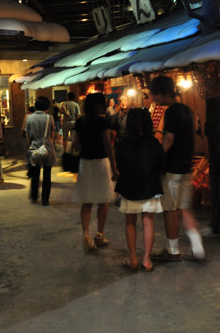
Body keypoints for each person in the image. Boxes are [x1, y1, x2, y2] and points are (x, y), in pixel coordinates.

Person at [149, 76, 206, 262]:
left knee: (170, 209)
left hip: (172, 169)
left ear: (164, 93)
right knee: (184, 209)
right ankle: (198, 250)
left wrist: (156, 158)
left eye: (155, 95)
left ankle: (173, 251)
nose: (154, 98)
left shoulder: (171, 112)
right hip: (186, 167)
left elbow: (168, 139)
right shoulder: (187, 110)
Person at [115, 108, 165, 271]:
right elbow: (161, 165)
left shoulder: (123, 143)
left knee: (130, 222)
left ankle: (133, 259)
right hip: (149, 186)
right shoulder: (154, 143)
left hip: (129, 187)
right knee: (148, 222)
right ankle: (147, 260)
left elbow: (120, 166)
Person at [72, 92, 119, 251]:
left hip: (85, 164)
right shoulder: (102, 122)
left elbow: (76, 144)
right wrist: (114, 168)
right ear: (98, 105)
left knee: (87, 201)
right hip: (101, 163)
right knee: (103, 200)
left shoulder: (80, 121)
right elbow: (107, 145)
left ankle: (86, 233)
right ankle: (99, 234)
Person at [25, 96, 56, 205]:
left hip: (34, 146)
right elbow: (52, 135)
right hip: (47, 147)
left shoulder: (29, 118)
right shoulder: (49, 118)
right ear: (46, 107)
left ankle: (34, 196)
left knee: (35, 173)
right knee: (47, 174)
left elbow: (28, 136)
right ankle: (45, 200)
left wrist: (29, 148)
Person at [22, 106, 36, 178]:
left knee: (29, 152)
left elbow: (24, 126)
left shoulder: (27, 116)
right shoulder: (36, 116)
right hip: (36, 137)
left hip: (29, 136)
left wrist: (22, 132)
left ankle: (30, 169)